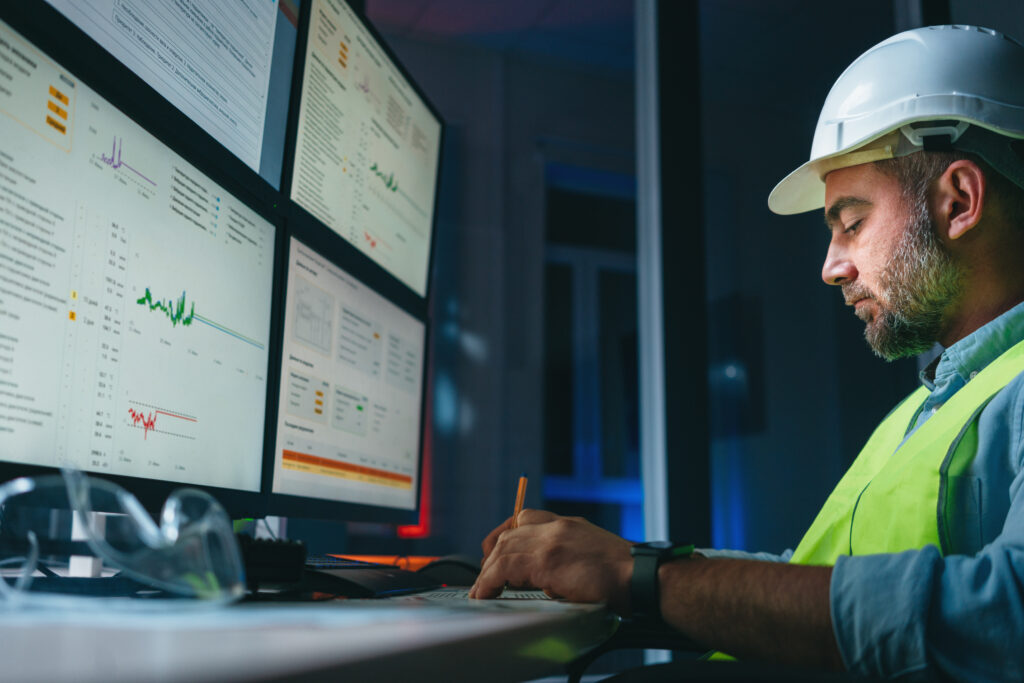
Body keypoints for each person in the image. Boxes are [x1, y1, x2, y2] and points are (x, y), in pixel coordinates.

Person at [469, 25, 1024, 680]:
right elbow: (813, 580)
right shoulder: (933, 406)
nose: (830, 266)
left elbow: (1002, 618)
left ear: (958, 200)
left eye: (851, 221)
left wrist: (637, 577)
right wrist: (620, 560)